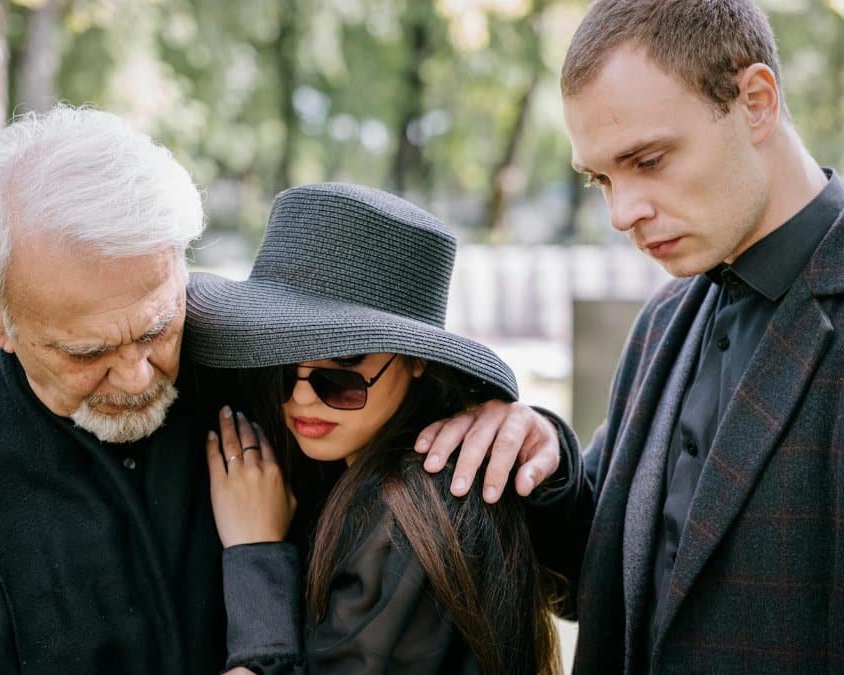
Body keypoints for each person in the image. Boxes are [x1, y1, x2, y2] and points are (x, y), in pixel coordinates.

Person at [0, 107, 572, 673]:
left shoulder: (275, 381)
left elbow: (572, 569)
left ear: (180, 269)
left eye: (156, 328)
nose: (137, 373)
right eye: (86, 350)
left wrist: (538, 448)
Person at [541, 0, 844, 672]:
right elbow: (604, 576)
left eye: (648, 160)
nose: (622, 212)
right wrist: (532, 458)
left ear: (757, 102)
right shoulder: (662, 318)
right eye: (602, 179)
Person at [180, 182, 563, 674]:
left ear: (416, 360)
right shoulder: (357, 476)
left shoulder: (407, 516)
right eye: (278, 364)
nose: (299, 398)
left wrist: (256, 553)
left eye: (340, 372)